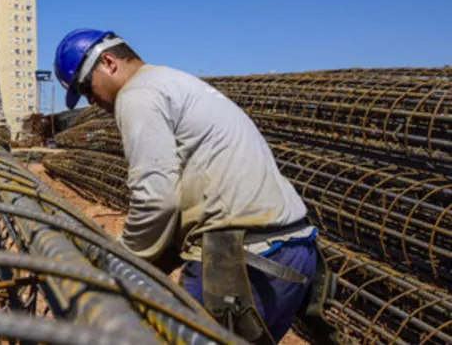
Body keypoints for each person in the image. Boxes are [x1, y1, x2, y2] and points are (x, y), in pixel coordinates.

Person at [53, 28, 317, 344]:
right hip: (294, 249)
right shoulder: (173, 81)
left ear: (108, 62)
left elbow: (156, 199)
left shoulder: (137, 94)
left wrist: (118, 260)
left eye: (86, 87)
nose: (91, 100)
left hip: (240, 260)